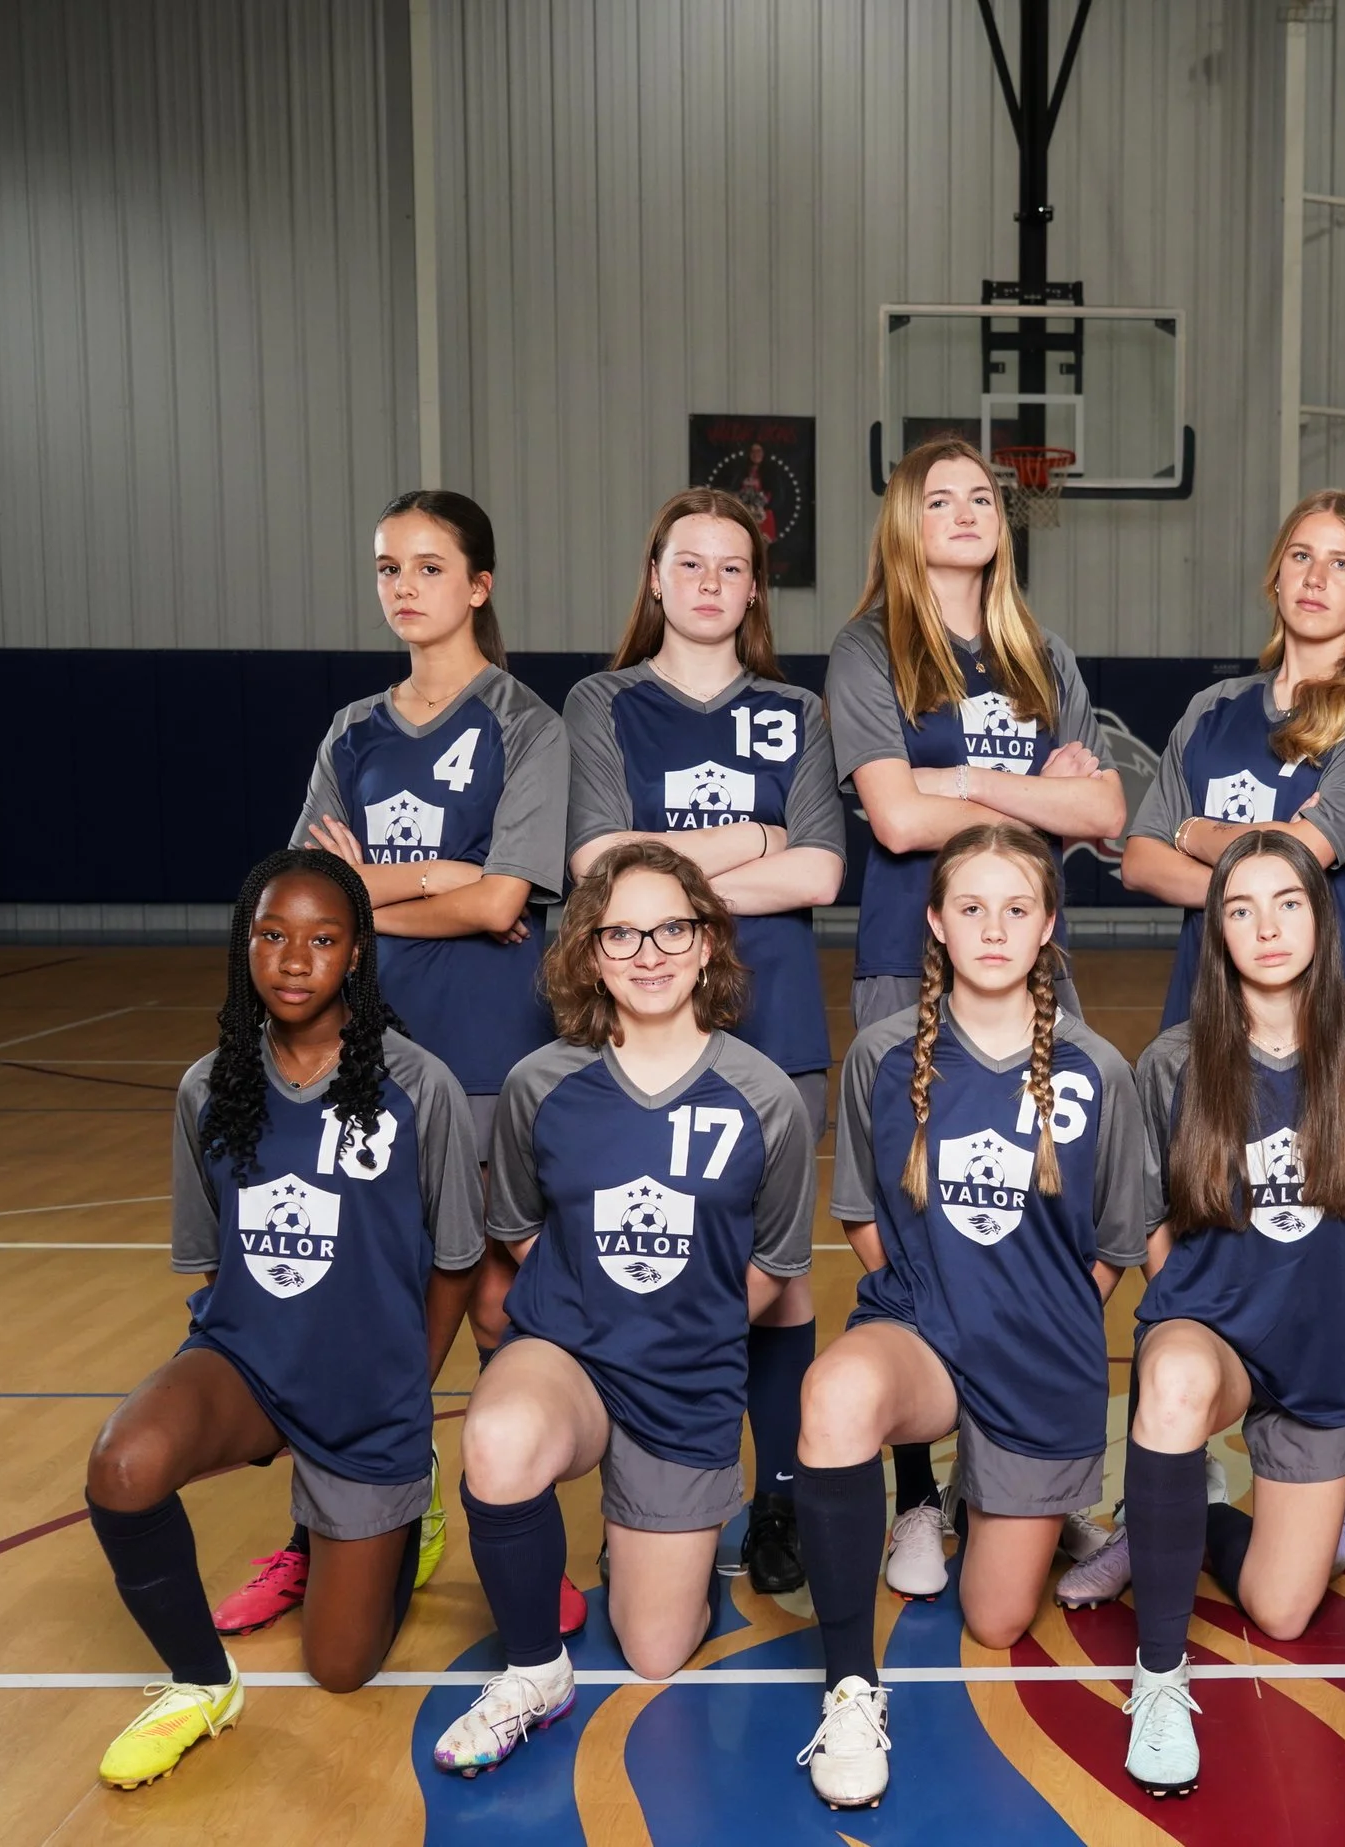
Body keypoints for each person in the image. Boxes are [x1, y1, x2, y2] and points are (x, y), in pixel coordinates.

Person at [225, 489, 567, 1638]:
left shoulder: (526, 721)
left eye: (429, 566)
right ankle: (338, 1527)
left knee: (490, 1301)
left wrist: (384, 883)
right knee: (344, 1296)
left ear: (479, 584)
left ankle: (521, 1546)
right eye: (386, 567)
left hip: (480, 1046)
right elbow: (313, 904)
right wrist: (441, 884)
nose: (403, 586)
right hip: (356, 1053)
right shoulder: (351, 730)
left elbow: (508, 900)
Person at [84, 850, 481, 1788]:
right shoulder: (206, 1088)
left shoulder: (419, 1086)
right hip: (248, 1363)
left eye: (322, 938)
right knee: (122, 1464)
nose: (294, 959)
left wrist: (402, 1390)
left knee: (340, 1668)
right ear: (244, 947)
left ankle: (398, 1509)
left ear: (357, 954)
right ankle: (198, 1683)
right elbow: (218, 1258)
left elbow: (458, 1263)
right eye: (272, 935)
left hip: (368, 1392)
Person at [430, 841, 816, 1775]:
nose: (649, 952)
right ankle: (534, 1667)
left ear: (706, 943)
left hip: (687, 1382)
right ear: (589, 952)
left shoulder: (766, 1099)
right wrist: (598, 1306)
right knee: (501, 1433)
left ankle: (651, 1528)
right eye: (621, 933)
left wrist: (684, 1323)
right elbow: (522, 1228)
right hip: (573, 1355)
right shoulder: (541, 1084)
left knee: (653, 1652)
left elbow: (773, 1265)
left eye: (671, 928)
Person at [791, 824, 1148, 1810]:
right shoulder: (880, 1053)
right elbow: (862, 1215)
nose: (995, 927)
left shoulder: (1095, 1071)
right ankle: (849, 1685)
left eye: (1018, 907)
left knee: (994, 1619)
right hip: (928, 1338)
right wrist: (934, 1306)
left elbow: (1113, 1245)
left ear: (1047, 928)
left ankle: (1008, 1493)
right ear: (938, 924)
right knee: (835, 1389)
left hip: (1039, 1354)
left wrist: (1028, 1318)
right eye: (973, 907)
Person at [826, 437, 1124, 1576]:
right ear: (903, 523)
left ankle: (1029, 1472)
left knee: (1041, 1205)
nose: (964, 511)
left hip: (1036, 961)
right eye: (937, 498)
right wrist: (1027, 792)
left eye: (980, 498)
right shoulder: (870, 650)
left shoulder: (1038, 651)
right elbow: (895, 825)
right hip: (917, 955)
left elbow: (1099, 805)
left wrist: (952, 777)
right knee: (920, 1212)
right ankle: (914, 1493)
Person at [564, 487, 843, 1595]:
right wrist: (746, 835)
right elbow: (593, 864)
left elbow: (819, 872)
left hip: (771, 1020)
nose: (712, 584)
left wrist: (660, 870)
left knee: (775, 1275)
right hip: (631, 1025)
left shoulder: (798, 713)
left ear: (753, 591)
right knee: (642, 1257)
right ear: (655, 577)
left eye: (734, 567)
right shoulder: (602, 702)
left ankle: (776, 1495)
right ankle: (638, 1490)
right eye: (692, 563)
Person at [1115, 832, 1345, 1797]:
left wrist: (1297, 1290)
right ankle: (1159, 1677)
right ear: (1217, 932)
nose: (1266, 926)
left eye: (1287, 902)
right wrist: (1194, 1307)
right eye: (1239, 908)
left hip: (1323, 1355)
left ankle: (1189, 1514)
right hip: (1217, 1336)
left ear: (1320, 919)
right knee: (1170, 1382)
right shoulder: (1173, 1062)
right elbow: (1146, 1226)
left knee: (1280, 1612)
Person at [1119, 488, 1345, 1029]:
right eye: (1301, 555)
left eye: (1342, 563)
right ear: (1278, 574)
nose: (1315, 577)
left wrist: (1189, 834)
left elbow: (1291, 860)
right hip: (1207, 1010)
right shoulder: (1212, 707)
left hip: (1331, 1019)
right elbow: (1139, 861)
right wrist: (1270, 871)